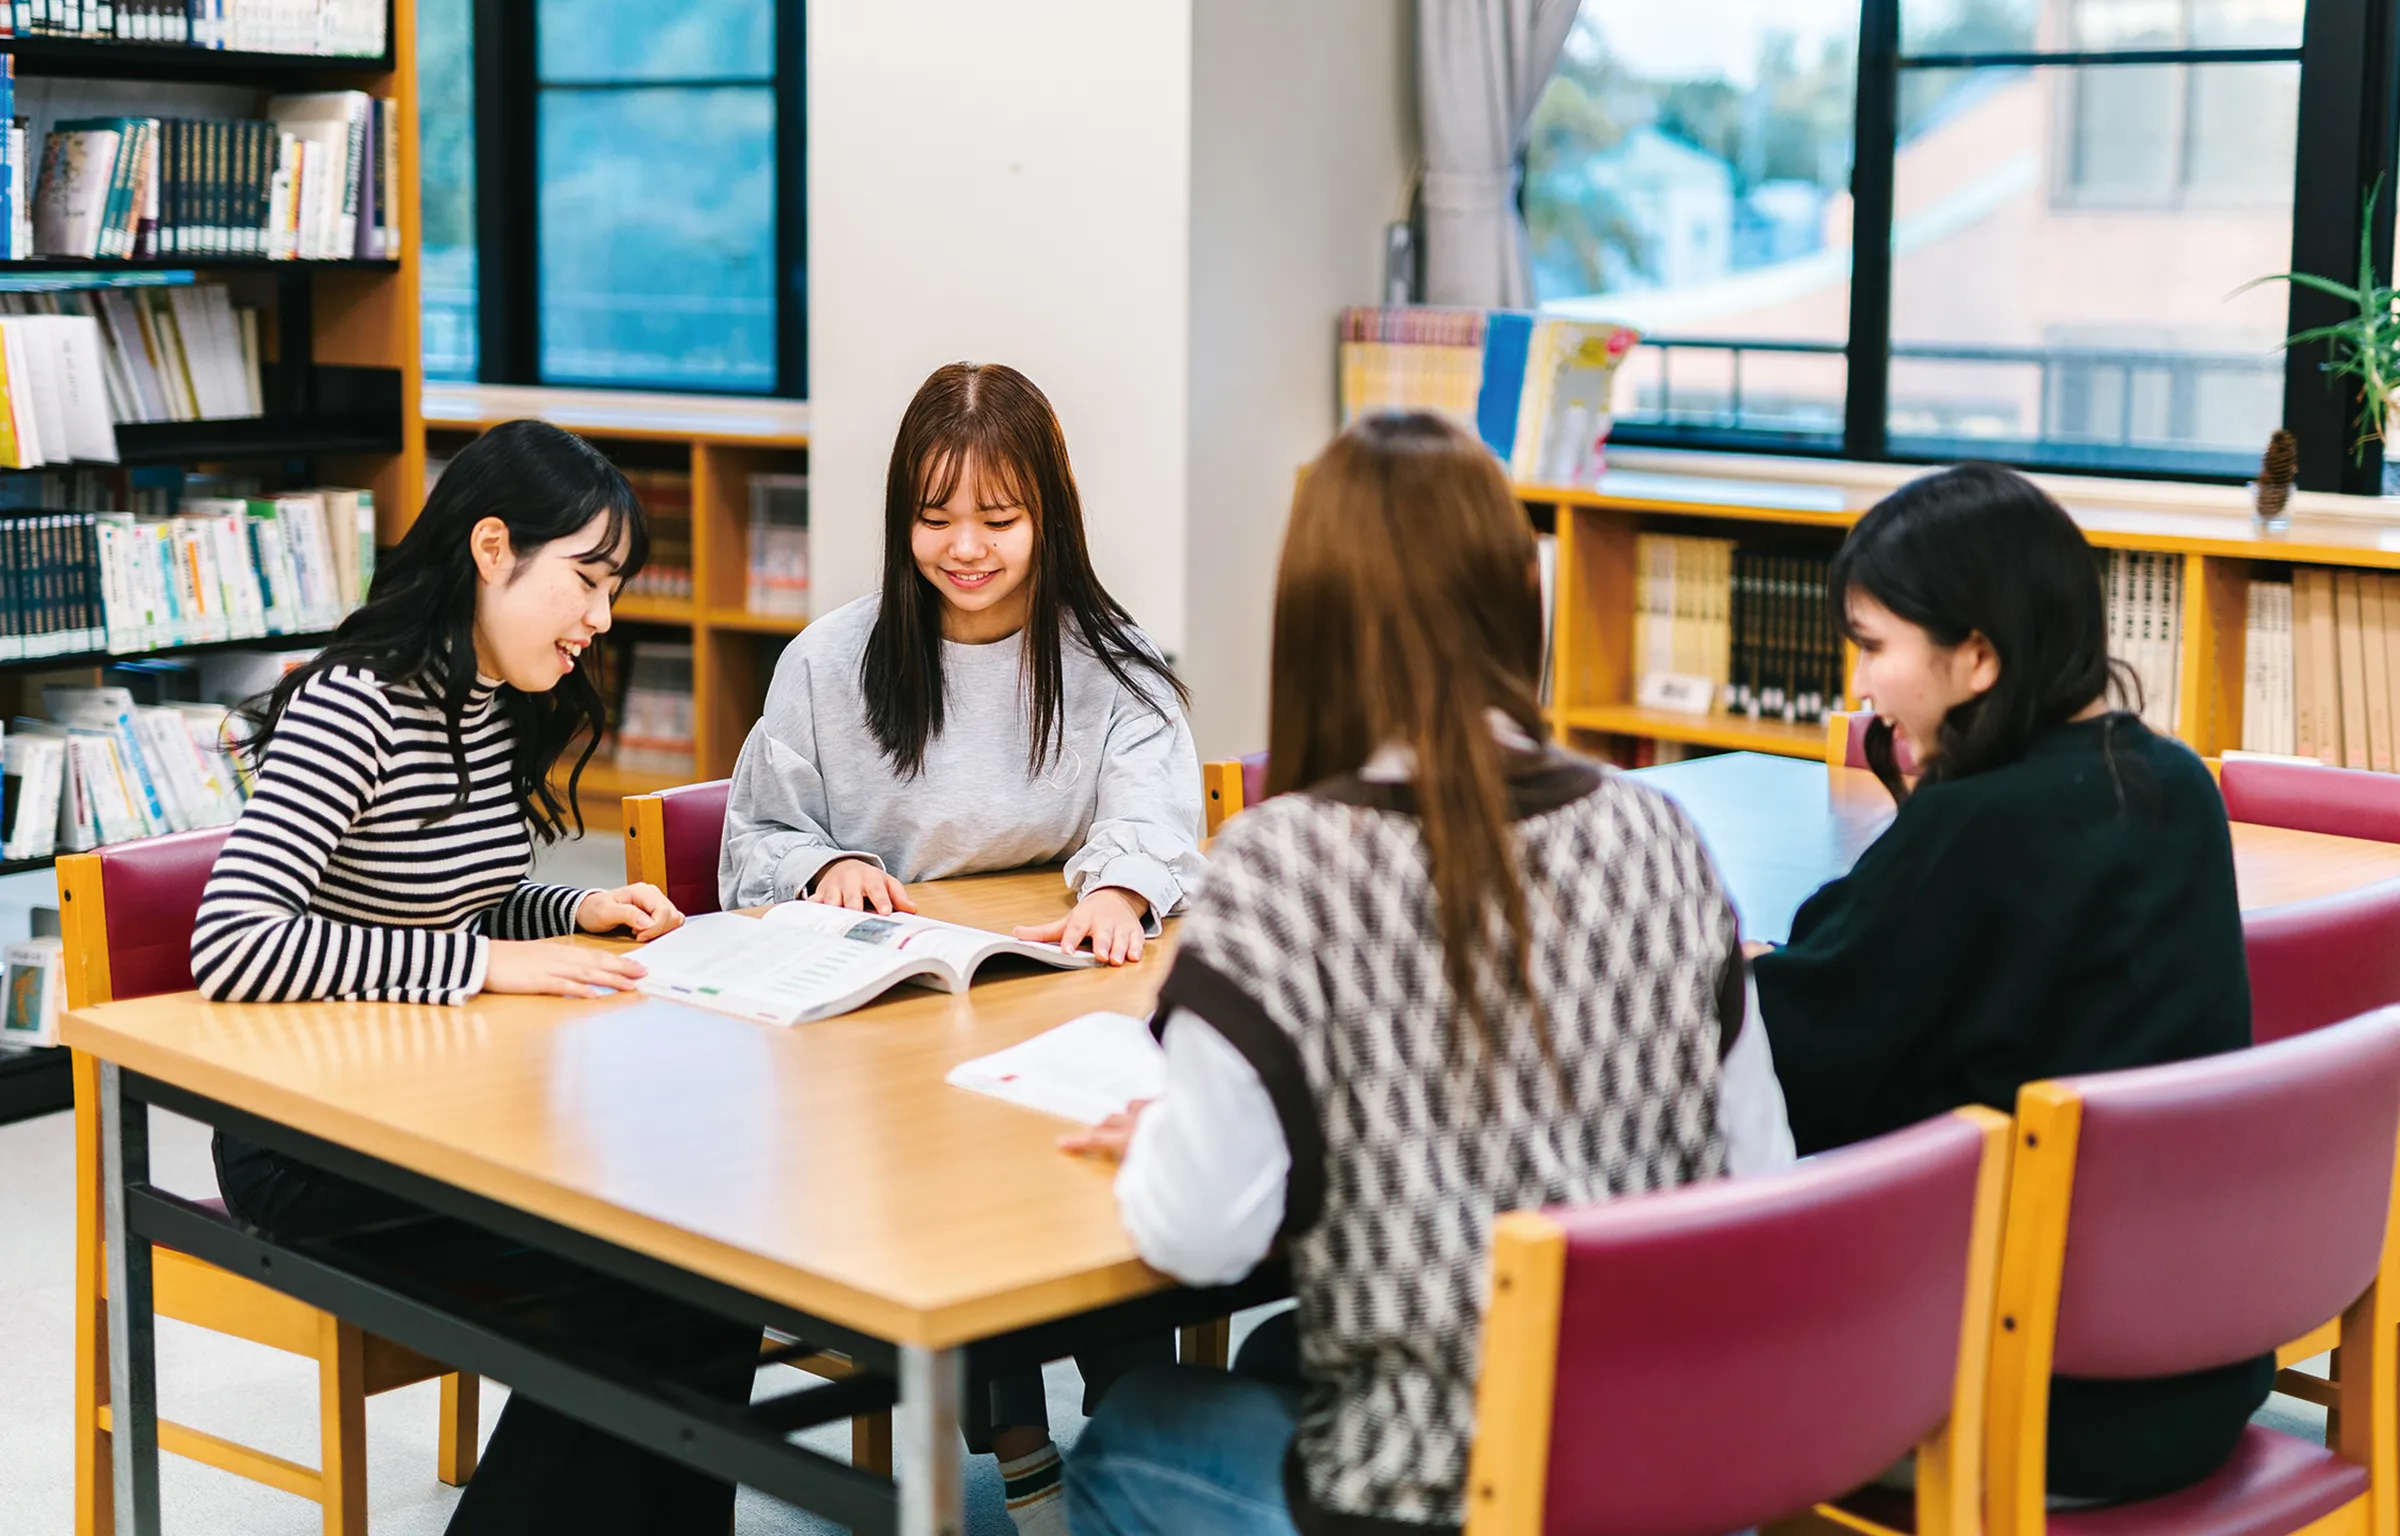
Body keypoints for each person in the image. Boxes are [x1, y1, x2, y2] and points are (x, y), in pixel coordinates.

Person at [1061, 411, 1792, 1536]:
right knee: (1273, 1352)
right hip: (1676, 1471)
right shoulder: (1661, 832)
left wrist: (1172, 1132)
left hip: (1442, 1491)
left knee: (1124, 1435)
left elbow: (1197, 1233)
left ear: (1314, 621)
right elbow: (1759, 1172)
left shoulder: (1285, 858)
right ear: (1518, 603)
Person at [190, 419, 757, 1536]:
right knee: (630, 1289)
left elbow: (440, 904)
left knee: (707, 1273)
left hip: (438, 1109)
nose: (602, 617)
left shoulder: (486, 696)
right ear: (492, 547)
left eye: (614, 588)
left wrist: (572, 908)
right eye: (587, 581)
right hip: (311, 1139)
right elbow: (236, 937)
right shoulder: (356, 699)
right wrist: (495, 960)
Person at [718, 360, 1200, 1530]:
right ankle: (1023, 1445)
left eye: (998, 516)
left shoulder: (1111, 659)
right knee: (953, 1166)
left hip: (1053, 999)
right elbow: (756, 837)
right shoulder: (834, 661)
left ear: (1050, 514)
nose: (966, 547)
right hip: (881, 1029)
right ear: (902, 520)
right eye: (935, 518)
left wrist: (1124, 891)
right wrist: (825, 866)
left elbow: (1155, 813)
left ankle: (1138, 1423)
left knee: (1095, 1152)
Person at [1751, 461, 2262, 1505]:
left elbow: (1797, 1066)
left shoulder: (1980, 832)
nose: (1862, 686)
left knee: (1670, 1354)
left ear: (1976, 656)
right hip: (2199, 1377)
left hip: (2035, 1407)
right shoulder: (2172, 786)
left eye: (1875, 647)